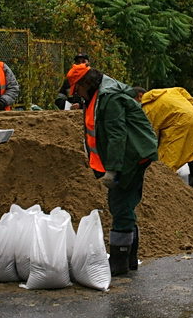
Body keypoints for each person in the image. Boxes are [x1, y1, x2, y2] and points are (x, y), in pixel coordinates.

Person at [66, 64, 158, 276]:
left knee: (120, 205)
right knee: (124, 204)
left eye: (77, 89)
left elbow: (117, 135)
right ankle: (130, 259)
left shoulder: (109, 98)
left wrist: (113, 170)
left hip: (130, 156)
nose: (77, 94)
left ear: (84, 84)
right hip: (132, 153)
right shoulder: (99, 96)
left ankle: (119, 261)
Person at [132, 86, 193, 200]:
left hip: (179, 130)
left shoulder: (147, 109)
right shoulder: (170, 91)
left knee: (164, 166)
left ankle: (161, 197)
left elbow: (151, 136)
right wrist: (184, 112)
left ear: (140, 96)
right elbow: (190, 99)